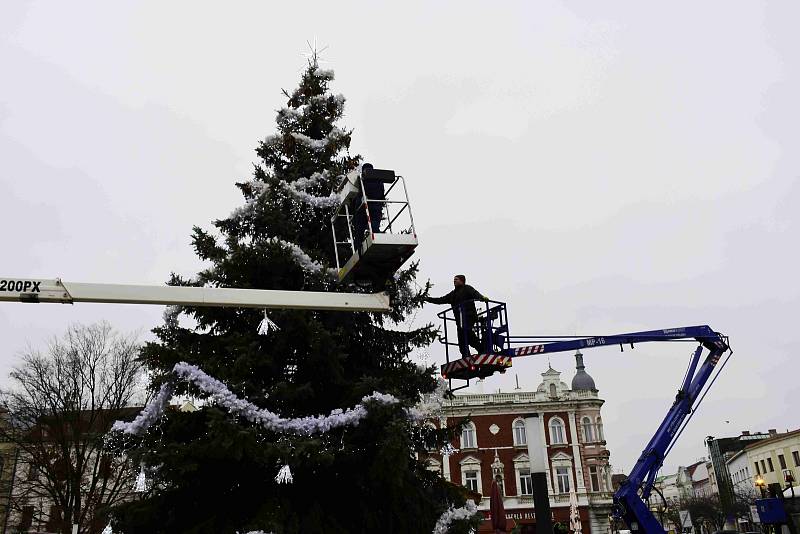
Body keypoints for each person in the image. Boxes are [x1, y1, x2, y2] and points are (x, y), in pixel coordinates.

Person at [425, 275, 488, 358]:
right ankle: (466, 355)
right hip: (459, 320)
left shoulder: (467, 289)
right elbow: (440, 300)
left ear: (462, 281)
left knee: (468, 334)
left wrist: (482, 298)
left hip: (469, 316)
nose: (454, 281)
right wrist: (428, 299)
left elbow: (475, 293)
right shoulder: (452, 294)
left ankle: (481, 349)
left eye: (456, 279)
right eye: (454, 280)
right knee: (461, 338)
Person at [352, 163, 386, 252]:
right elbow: (382, 194)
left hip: (363, 208)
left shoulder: (362, 179)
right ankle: (379, 244)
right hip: (376, 206)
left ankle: (357, 249)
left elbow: (361, 194)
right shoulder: (379, 180)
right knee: (375, 227)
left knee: (359, 230)